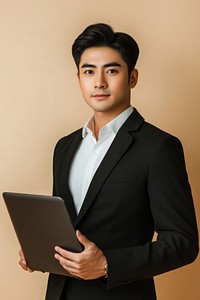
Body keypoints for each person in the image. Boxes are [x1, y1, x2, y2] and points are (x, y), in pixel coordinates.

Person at [19, 23, 199, 300]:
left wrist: (106, 264)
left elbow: (182, 243)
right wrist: (41, 251)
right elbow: (68, 228)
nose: (99, 82)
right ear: (78, 77)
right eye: (89, 71)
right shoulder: (65, 147)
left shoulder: (159, 147)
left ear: (132, 77)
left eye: (112, 70)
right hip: (60, 293)